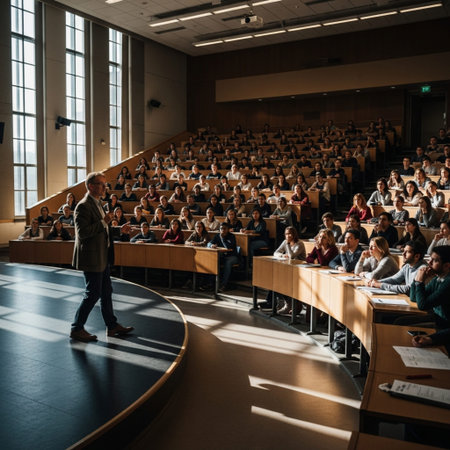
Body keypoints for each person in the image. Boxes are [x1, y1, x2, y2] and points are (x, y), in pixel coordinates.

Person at [70, 172, 133, 343]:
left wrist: (119, 230)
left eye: (105, 184)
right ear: (91, 186)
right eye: (101, 184)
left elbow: (102, 230)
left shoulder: (99, 203)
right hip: (91, 258)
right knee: (92, 294)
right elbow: (82, 233)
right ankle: (77, 328)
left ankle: (111, 326)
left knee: (106, 292)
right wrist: (104, 222)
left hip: (102, 256)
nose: (105, 187)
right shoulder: (83, 206)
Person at [405, 245, 450, 329]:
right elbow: (414, 298)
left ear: (446, 265)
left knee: (404, 325)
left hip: (444, 326)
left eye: (435, 260)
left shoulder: (448, 282)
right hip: (436, 319)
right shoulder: (437, 278)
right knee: (401, 321)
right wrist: (416, 279)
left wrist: (420, 282)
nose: (429, 262)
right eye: (430, 258)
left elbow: (423, 305)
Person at [272, 227, 307, 314]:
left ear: (294, 234)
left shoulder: (299, 244)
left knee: (286, 282)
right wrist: (282, 256)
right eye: (286, 234)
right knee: (276, 280)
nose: (288, 236)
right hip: (289, 269)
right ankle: (287, 303)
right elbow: (275, 253)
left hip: (300, 270)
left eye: (290, 234)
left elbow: (292, 256)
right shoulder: (285, 242)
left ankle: (290, 305)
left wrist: (287, 244)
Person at [207, 222, 239, 291]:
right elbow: (209, 243)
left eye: (225, 229)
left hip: (232, 256)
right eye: (221, 229)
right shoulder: (217, 235)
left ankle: (223, 285)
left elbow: (229, 248)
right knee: (212, 260)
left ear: (228, 229)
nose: (223, 230)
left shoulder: (232, 236)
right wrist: (211, 245)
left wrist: (222, 239)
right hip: (222, 256)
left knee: (227, 262)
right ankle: (210, 283)